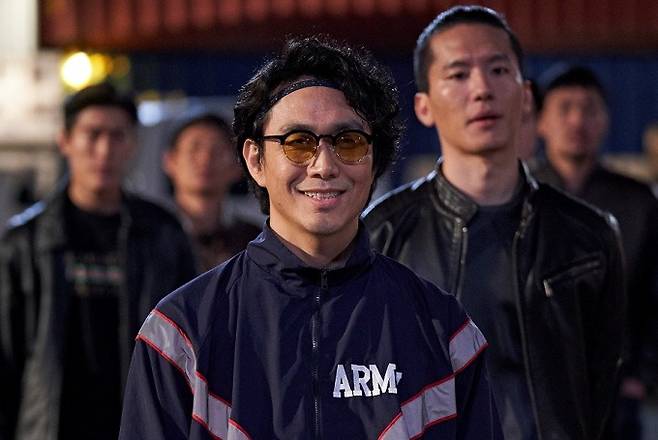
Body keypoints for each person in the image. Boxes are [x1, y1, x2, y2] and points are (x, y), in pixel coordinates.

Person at [118, 35, 502, 439]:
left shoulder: (443, 330)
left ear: (375, 162)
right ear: (255, 160)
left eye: (348, 142)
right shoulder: (180, 334)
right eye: (298, 143)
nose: (324, 165)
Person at [363, 6, 625, 440]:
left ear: (526, 96)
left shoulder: (589, 236)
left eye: (498, 70)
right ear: (424, 106)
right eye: (458, 74)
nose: (482, 89)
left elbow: (601, 386)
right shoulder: (382, 234)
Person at [0, 82, 197, 440]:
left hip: (138, 426)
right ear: (65, 141)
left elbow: (187, 347)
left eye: (117, 136)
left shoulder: (163, 235)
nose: (104, 150)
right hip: (49, 426)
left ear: (132, 144)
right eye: (92, 135)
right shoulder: (23, 243)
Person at [532, 64, 658, 440]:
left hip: (619, 385)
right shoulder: (520, 196)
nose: (577, 120)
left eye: (589, 109)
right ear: (541, 122)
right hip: (534, 384)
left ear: (606, 120)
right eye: (565, 108)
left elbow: (654, 295)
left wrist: (642, 376)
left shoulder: (637, 200)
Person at [163, 113, 261, 272]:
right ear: (170, 161)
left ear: (238, 166)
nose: (205, 159)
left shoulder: (254, 240)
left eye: (218, 150)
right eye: (194, 148)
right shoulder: (149, 232)